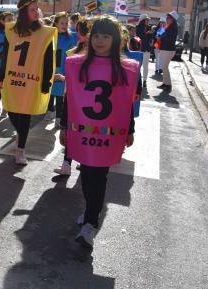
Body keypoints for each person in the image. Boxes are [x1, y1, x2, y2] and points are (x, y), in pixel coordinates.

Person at [58, 16, 139, 248]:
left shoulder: (127, 68)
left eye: (106, 36)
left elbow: (127, 103)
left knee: (99, 176)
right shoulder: (76, 64)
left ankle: (90, 225)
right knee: (85, 173)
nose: (100, 40)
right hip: (82, 131)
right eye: (96, 35)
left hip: (109, 134)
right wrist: (64, 126)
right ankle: (90, 210)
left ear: (116, 40)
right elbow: (69, 98)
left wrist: (130, 130)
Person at [0, 0, 56, 165]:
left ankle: (20, 149)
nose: (37, 12)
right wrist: (1, 76)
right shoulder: (11, 31)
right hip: (12, 80)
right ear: (23, 12)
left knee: (24, 115)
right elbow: (6, 56)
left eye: (37, 8)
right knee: (11, 110)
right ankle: (20, 136)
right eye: (32, 9)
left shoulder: (45, 32)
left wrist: (46, 82)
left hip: (32, 82)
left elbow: (48, 59)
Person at [53, 18, 90, 176]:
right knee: (70, 130)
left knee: (84, 131)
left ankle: (83, 160)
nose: (78, 34)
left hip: (87, 101)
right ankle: (67, 163)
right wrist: (64, 78)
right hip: (73, 97)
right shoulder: (74, 52)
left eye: (81, 31)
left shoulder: (96, 55)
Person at [48, 12, 77, 118]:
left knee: (61, 95)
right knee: (49, 92)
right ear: (56, 23)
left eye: (66, 23)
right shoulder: (49, 36)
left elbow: (73, 55)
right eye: (62, 23)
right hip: (50, 69)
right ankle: (49, 111)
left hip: (63, 70)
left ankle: (58, 118)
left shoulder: (71, 38)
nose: (64, 25)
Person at [157, 11, 179, 91]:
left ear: (172, 19)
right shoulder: (168, 26)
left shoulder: (173, 28)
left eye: (168, 18)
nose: (166, 19)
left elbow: (170, 39)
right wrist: (159, 35)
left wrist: (160, 37)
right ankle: (165, 83)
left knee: (164, 67)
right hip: (165, 49)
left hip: (168, 49)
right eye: (166, 17)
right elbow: (160, 34)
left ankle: (168, 84)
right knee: (164, 67)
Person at [135, 14, 151, 87]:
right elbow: (138, 37)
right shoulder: (137, 28)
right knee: (138, 65)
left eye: (148, 20)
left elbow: (150, 38)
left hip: (147, 49)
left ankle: (144, 80)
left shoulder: (149, 28)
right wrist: (146, 34)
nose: (148, 21)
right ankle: (137, 79)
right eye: (146, 20)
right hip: (139, 49)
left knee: (146, 65)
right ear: (142, 20)